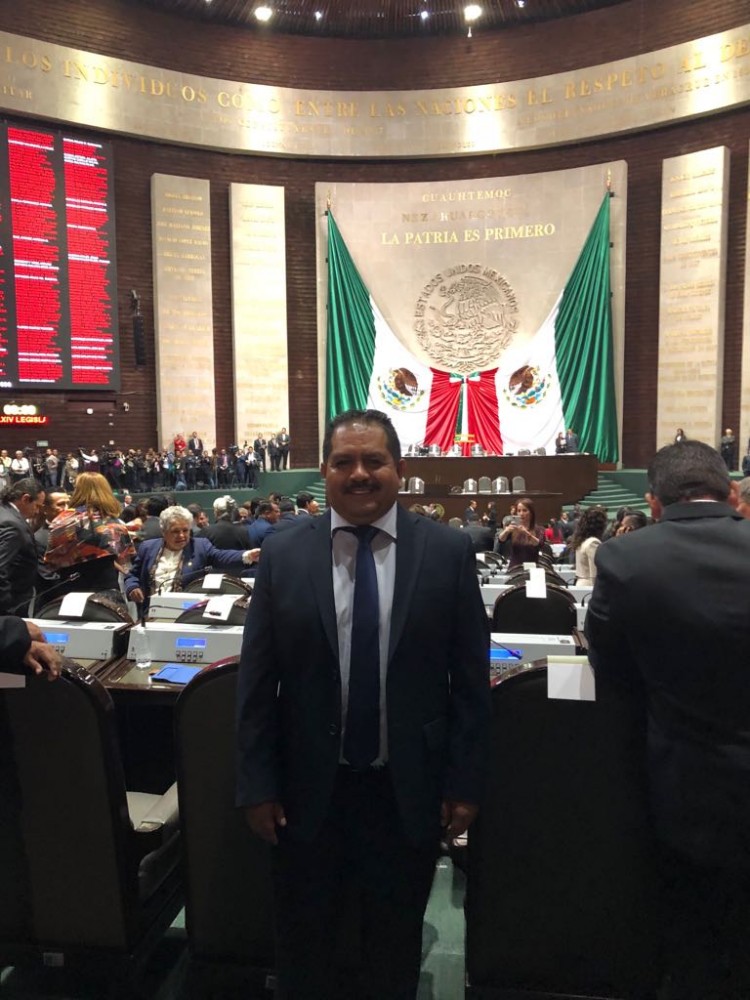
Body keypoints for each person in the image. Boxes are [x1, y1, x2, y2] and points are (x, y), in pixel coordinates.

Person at [235, 408, 490, 1000]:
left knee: (392, 950)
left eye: (374, 460)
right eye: (343, 461)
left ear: (399, 469)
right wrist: (256, 784)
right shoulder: (283, 553)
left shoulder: (447, 551)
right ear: (324, 471)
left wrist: (465, 782)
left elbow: (469, 684)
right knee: (304, 949)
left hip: (408, 790)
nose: (359, 473)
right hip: (304, 794)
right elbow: (257, 683)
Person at [586, 440, 750, 999]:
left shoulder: (625, 558)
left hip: (682, 788)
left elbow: (611, 671)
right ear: (732, 492)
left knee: (692, 945)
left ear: (652, 502)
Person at [124, 505, 259, 613]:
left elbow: (221, 556)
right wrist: (132, 587)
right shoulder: (147, 547)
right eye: (175, 531)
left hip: (188, 614)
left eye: (185, 530)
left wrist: (247, 555)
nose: (181, 535)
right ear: (164, 532)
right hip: (150, 614)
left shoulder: (200, 546)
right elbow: (132, 575)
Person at [44, 472, 135, 597]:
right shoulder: (115, 523)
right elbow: (126, 561)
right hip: (105, 590)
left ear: (78, 491)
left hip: (69, 590)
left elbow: (50, 561)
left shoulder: (61, 520)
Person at [0, 478, 46, 615]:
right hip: (12, 602)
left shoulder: (4, 512)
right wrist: (6, 606)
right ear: (25, 499)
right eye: (37, 506)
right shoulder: (12, 525)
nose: (37, 512)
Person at [495, 496, 544, 568]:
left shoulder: (539, 529)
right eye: (519, 511)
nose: (521, 513)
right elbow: (501, 540)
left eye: (524, 510)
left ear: (531, 513)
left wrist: (526, 532)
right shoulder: (514, 529)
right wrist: (506, 531)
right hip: (515, 568)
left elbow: (539, 544)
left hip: (531, 567)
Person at [570, 505, 607, 586]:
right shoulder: (593, 543)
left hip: (581, 584)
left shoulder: (582, 541)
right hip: (589, 586)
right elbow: (595, 574)